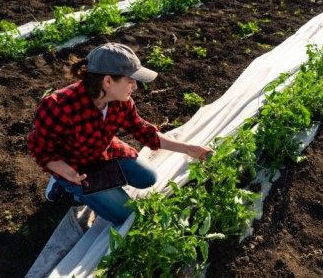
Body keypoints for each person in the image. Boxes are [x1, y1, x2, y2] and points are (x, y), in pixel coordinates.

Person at [28, 42, 214, 224]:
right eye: (130, 81)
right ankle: (64, 185)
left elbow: (144, 132)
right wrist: (68, 174)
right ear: (108, 81)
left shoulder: (122, 102)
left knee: (148, 178)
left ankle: (100, 186)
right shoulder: (58, 106)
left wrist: (188, 149)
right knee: (126, 214)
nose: (135, 86)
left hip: (103, 151)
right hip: (75, 166)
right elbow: (41, 149)